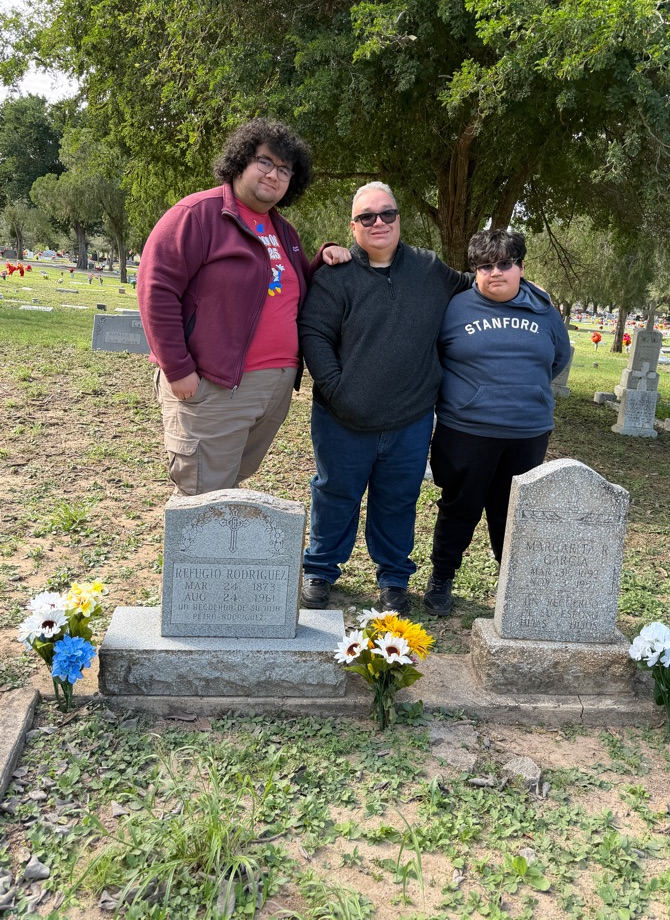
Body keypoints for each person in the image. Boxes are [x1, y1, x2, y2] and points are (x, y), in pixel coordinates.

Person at [138, 118, 348, 496]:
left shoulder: (283, 230)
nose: (274, 174)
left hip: (273, 387)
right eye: (265, 161)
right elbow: (156, 289)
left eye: (285, 169)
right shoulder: (198, 214)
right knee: (202, 493)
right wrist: (177, 367)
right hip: (215, 384)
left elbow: (292, 288)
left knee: (228, 483)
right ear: (240, 161)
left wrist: (323, 259)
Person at [298, 182, 472, 612]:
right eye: (367, 216)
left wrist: (526, 288)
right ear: (353, 226)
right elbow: (314, 333)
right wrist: (337, 389)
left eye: (387, 214)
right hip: (341, 416)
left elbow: (478, 284)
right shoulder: (335, 275)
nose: (379, 223)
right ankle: (320, 569)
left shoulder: (428, 269)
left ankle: (394, 578)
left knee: (397, 501)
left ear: (399, 218)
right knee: (334, 494)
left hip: (409, 418)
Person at [425, 229, 571, 616]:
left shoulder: (544, 309)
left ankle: (514, 586)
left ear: (520, 267)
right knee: (460, 506)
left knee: (513, 512)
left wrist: (527, 391)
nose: (495, 273)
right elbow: (435, 356)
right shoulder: (455, 308)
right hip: (467, 429)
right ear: (475, 271)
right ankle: (441, 578)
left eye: (505, 264)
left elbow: (559, 357)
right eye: (485, 266)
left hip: (527, 431)